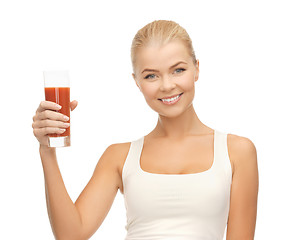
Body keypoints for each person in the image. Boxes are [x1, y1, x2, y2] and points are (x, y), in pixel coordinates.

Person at [32, 20, 259, 240]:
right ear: (137, 82)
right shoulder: (118, 156)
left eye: (178, 70)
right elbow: (71, 235)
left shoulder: (237, 152)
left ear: (196, 69)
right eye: (151, 75)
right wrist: (47, 151)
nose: (167, 85)